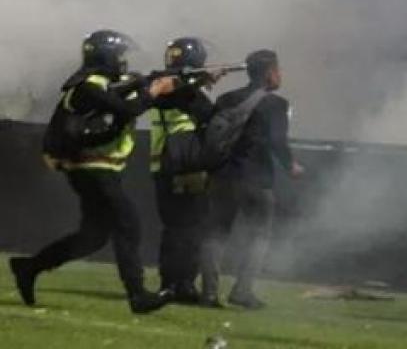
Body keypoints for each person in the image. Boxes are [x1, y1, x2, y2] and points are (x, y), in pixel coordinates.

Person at [9, 29, 176, 314]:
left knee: (94, 236)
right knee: (128, 223)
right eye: (120, 55)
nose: (123, 61)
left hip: (92, 167)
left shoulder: (97, 83)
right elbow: (127, 109)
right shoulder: (90, 85)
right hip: (94, 166)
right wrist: (152, 90)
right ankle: (137, 295)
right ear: (107, 56)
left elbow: (128, 95)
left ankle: (29, 267)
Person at [200, 49, 304, 309]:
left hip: (222, 176)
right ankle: (242, 291)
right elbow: (278, 141)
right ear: (270, 73)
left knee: (216, 232)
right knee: (259, 235)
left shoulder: (226, 99)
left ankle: (209, 293)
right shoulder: (276, 105)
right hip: (256, 179)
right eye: (278, 70)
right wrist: (290, 165)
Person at [149, 37, 218, 303]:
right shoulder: (182, 89)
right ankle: (181, 283)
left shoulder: (164, 86)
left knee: (176, 228)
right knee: (190, 227)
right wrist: (201, 82)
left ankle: (173, 283)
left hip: (163, 166)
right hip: (186, 166)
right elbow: (210, 115)